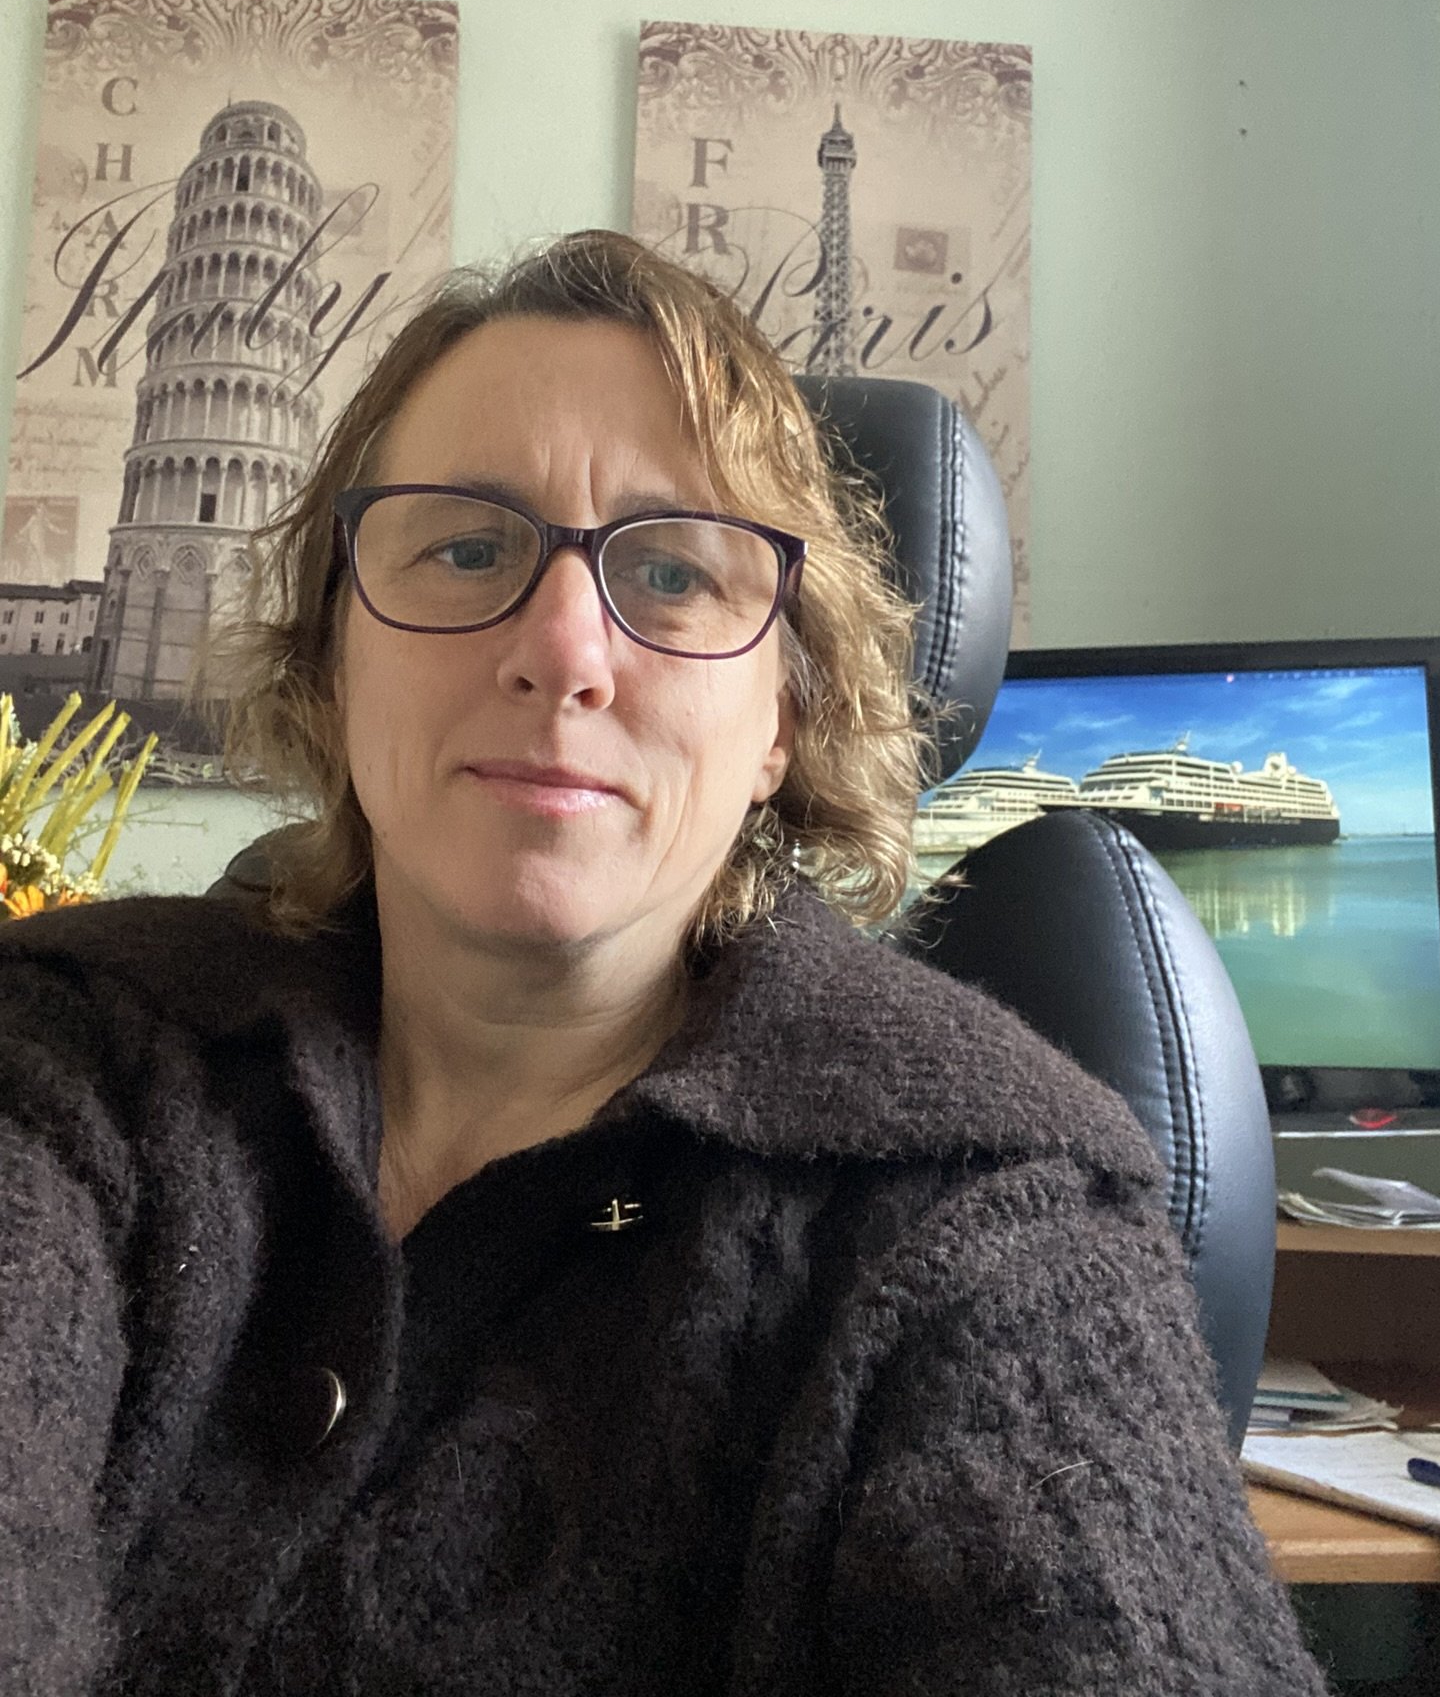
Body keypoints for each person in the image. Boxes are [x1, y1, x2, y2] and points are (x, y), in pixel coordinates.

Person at [0, 231, 1326, 1695]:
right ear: (332, 657)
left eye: (678, 573)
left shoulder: (986, 1215)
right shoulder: (69, 1055)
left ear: (781, 723)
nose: (563, 650)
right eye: (464, 546)